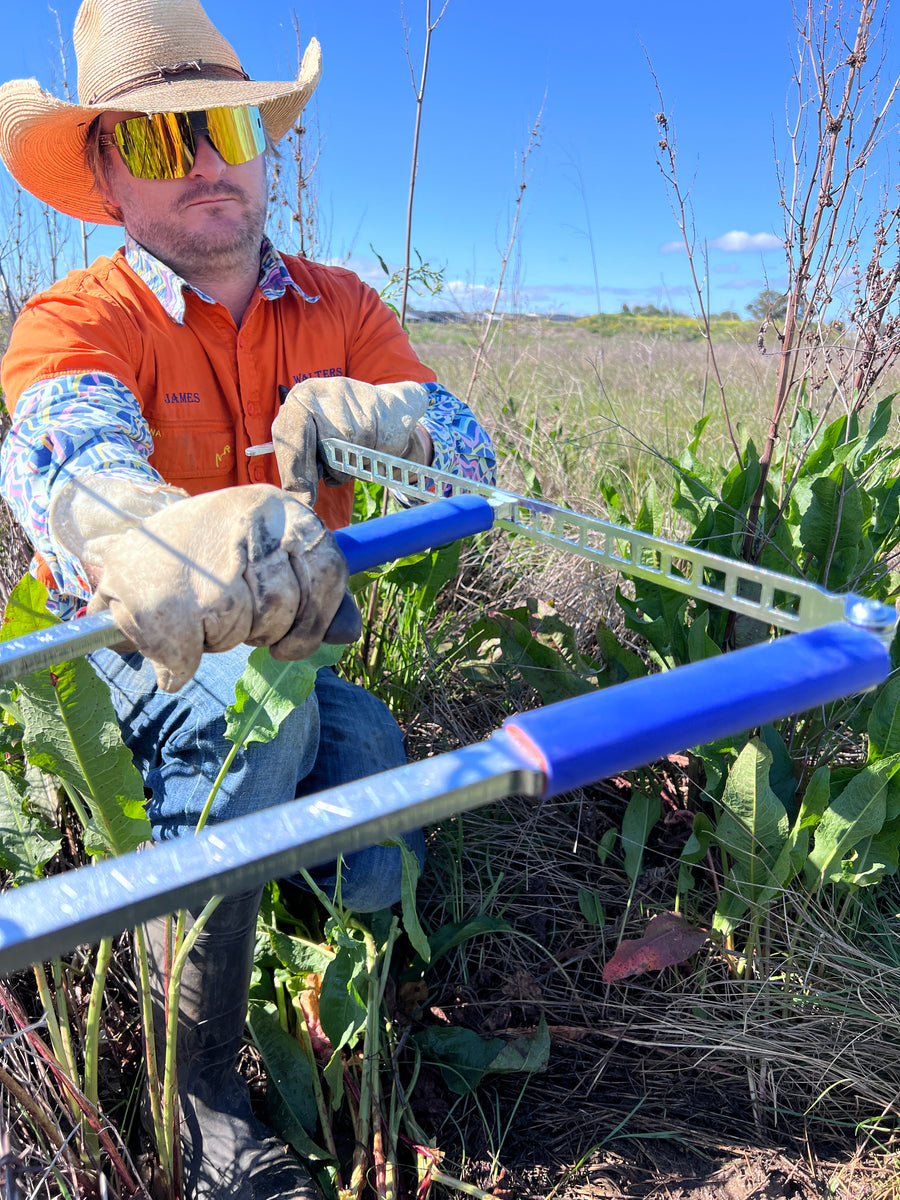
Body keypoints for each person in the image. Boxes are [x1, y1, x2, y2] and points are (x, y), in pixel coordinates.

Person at [0, 0, 496, 1196]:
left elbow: (476, 459)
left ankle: (326, 1001)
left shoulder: (344, 307)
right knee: (249, 732)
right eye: (163, 143)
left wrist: (399, 422)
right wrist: (153, 529)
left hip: (299, 656)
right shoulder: (77, 319)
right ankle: (207, 1097)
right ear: (109, 180)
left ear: (262, 144)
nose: (208, 161)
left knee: (374, 805)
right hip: (129, 659)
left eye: (222, 125)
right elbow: (66, 459)